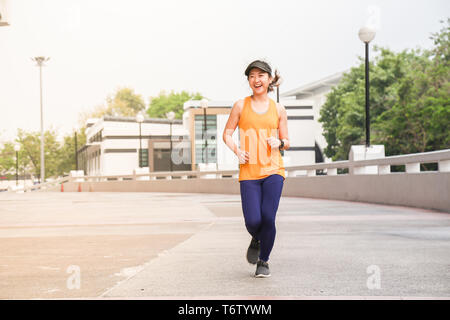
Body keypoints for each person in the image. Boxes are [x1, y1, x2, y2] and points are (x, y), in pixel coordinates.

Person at [222, 60, 290, 278]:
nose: (256, 80)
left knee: (268, 217)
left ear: (269, 80)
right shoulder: (240, 105)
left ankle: (264, 261)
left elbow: (287, 140)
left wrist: (279, 143)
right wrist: (237, 151)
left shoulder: (278, 109)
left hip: (273, 170)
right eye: (252, 76)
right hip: (249, 172)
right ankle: (257, 238)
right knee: (253, 220)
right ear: (249, 81)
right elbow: (227, 134)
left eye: (261, 75)